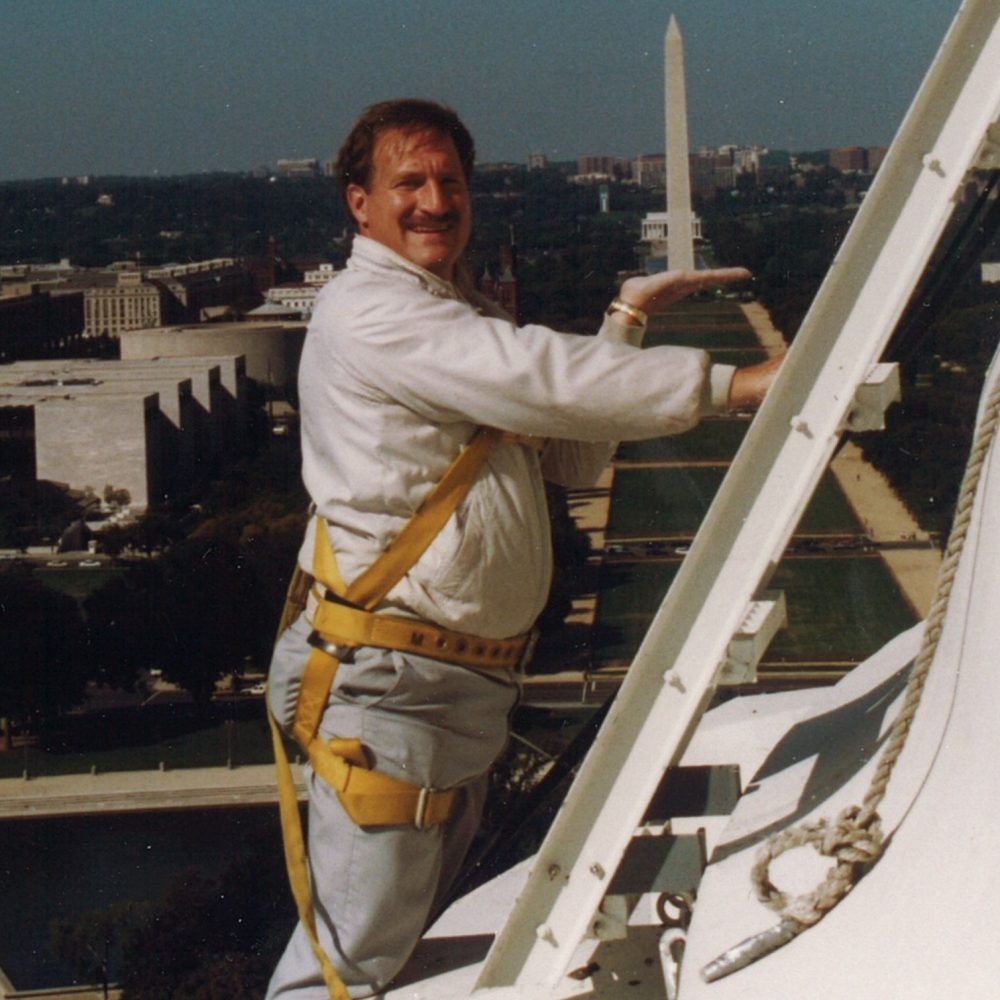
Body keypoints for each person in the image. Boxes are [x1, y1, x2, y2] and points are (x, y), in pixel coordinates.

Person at [266, 98, 782, 999]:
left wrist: (624, 319)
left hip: (452, 692)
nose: (434, 201)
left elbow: (574, 454)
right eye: (409, 182)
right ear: (359, 204)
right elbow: (531, 373)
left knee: (399, 959)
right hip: (390, 692)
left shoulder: (448, 309)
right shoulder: (373, 312)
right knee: (339, 979)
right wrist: (735, 384)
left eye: (450, 182)